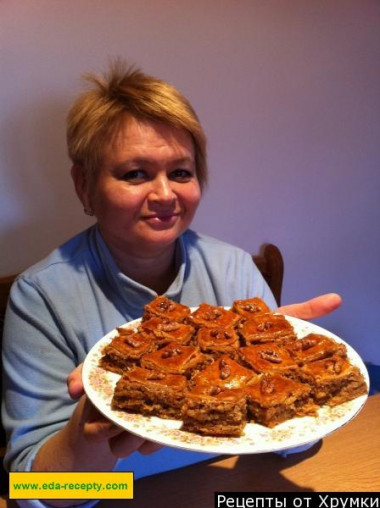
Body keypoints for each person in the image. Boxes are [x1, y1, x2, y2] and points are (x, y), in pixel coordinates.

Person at [2, 60, 341, 506]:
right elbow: (31, 494)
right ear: (84, 186)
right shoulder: (42, 297)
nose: (165, 195)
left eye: (181, 172)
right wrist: (90, 435)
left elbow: (290, 446)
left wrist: (289, 380)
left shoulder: (233, 268)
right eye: (135, 174)